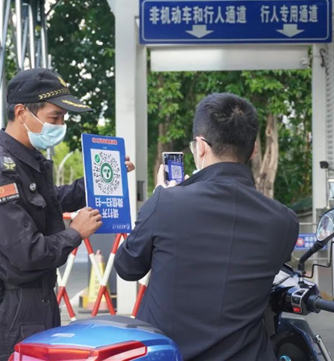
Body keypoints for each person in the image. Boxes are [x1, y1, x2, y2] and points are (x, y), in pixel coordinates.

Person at [0, 68, 134, 361]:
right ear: (22, 112)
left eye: (63, 118)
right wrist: (75, 233)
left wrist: (97, 182)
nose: (61, 124)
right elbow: (27, 252)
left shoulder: (25, 162)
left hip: (39, 299)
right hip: (13, 308)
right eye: (55, 117)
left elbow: (50, 201)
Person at [115, 92, 299, 361]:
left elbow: (127, 267)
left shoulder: (165, 203)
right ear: (255, 148)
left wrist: (160, 197)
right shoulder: (284, 220)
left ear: (200, 146)